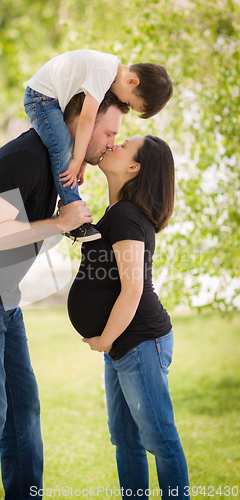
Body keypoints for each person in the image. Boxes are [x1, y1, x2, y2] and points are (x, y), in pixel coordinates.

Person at [0, 90, 128, 500]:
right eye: (108, 133)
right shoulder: (23, 158)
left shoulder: (57, 163)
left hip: (0, 296)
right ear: (83, 123)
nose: (111, 143)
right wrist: (60, 221)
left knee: (22, 413)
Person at [68, 135, 190, 499]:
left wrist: (104, 340)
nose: (113, 144)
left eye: (123, 145)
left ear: (133, 168)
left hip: (138, 342)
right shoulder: (118, 212)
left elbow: (133, 290)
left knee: (159, 438)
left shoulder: (125, 216)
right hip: (125, 344)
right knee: (126, 439)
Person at [24, 48, 173, 242]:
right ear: (131, 81)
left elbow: (88, 128)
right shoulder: (104, 71)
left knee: (66, 149)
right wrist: (77, 159)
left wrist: (83, 160)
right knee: (62, 149)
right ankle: (73, 213)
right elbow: (87, 119)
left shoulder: (109, 70)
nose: (122, 102)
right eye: (128, 100)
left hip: (49, 98)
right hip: (41, 98)